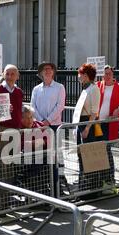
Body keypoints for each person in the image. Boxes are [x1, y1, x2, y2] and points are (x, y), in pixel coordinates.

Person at [30, 62, 66, 196]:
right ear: (41, 73)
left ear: (53, 72)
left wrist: (48, 121)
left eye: (50, 69)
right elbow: (33, 106)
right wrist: (40, 122)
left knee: (55, 157)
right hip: (40, 127)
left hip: (54, 126)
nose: (47, 71)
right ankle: (43, 187)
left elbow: (60, 106)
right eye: (44, 69)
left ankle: (57, 187)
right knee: (42, 156)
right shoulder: (36, 89)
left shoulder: (59, 87)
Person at [73, 64, 101, 197]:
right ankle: (83, 187)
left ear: (85, 75)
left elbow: (94, 113)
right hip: (81, 123)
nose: (78, 77)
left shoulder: (94, 89)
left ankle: (91, 190)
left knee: (88, 157)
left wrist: (87, 128)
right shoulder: (86, 89)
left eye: (80, 74)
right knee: (81, 156)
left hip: (87, 124)